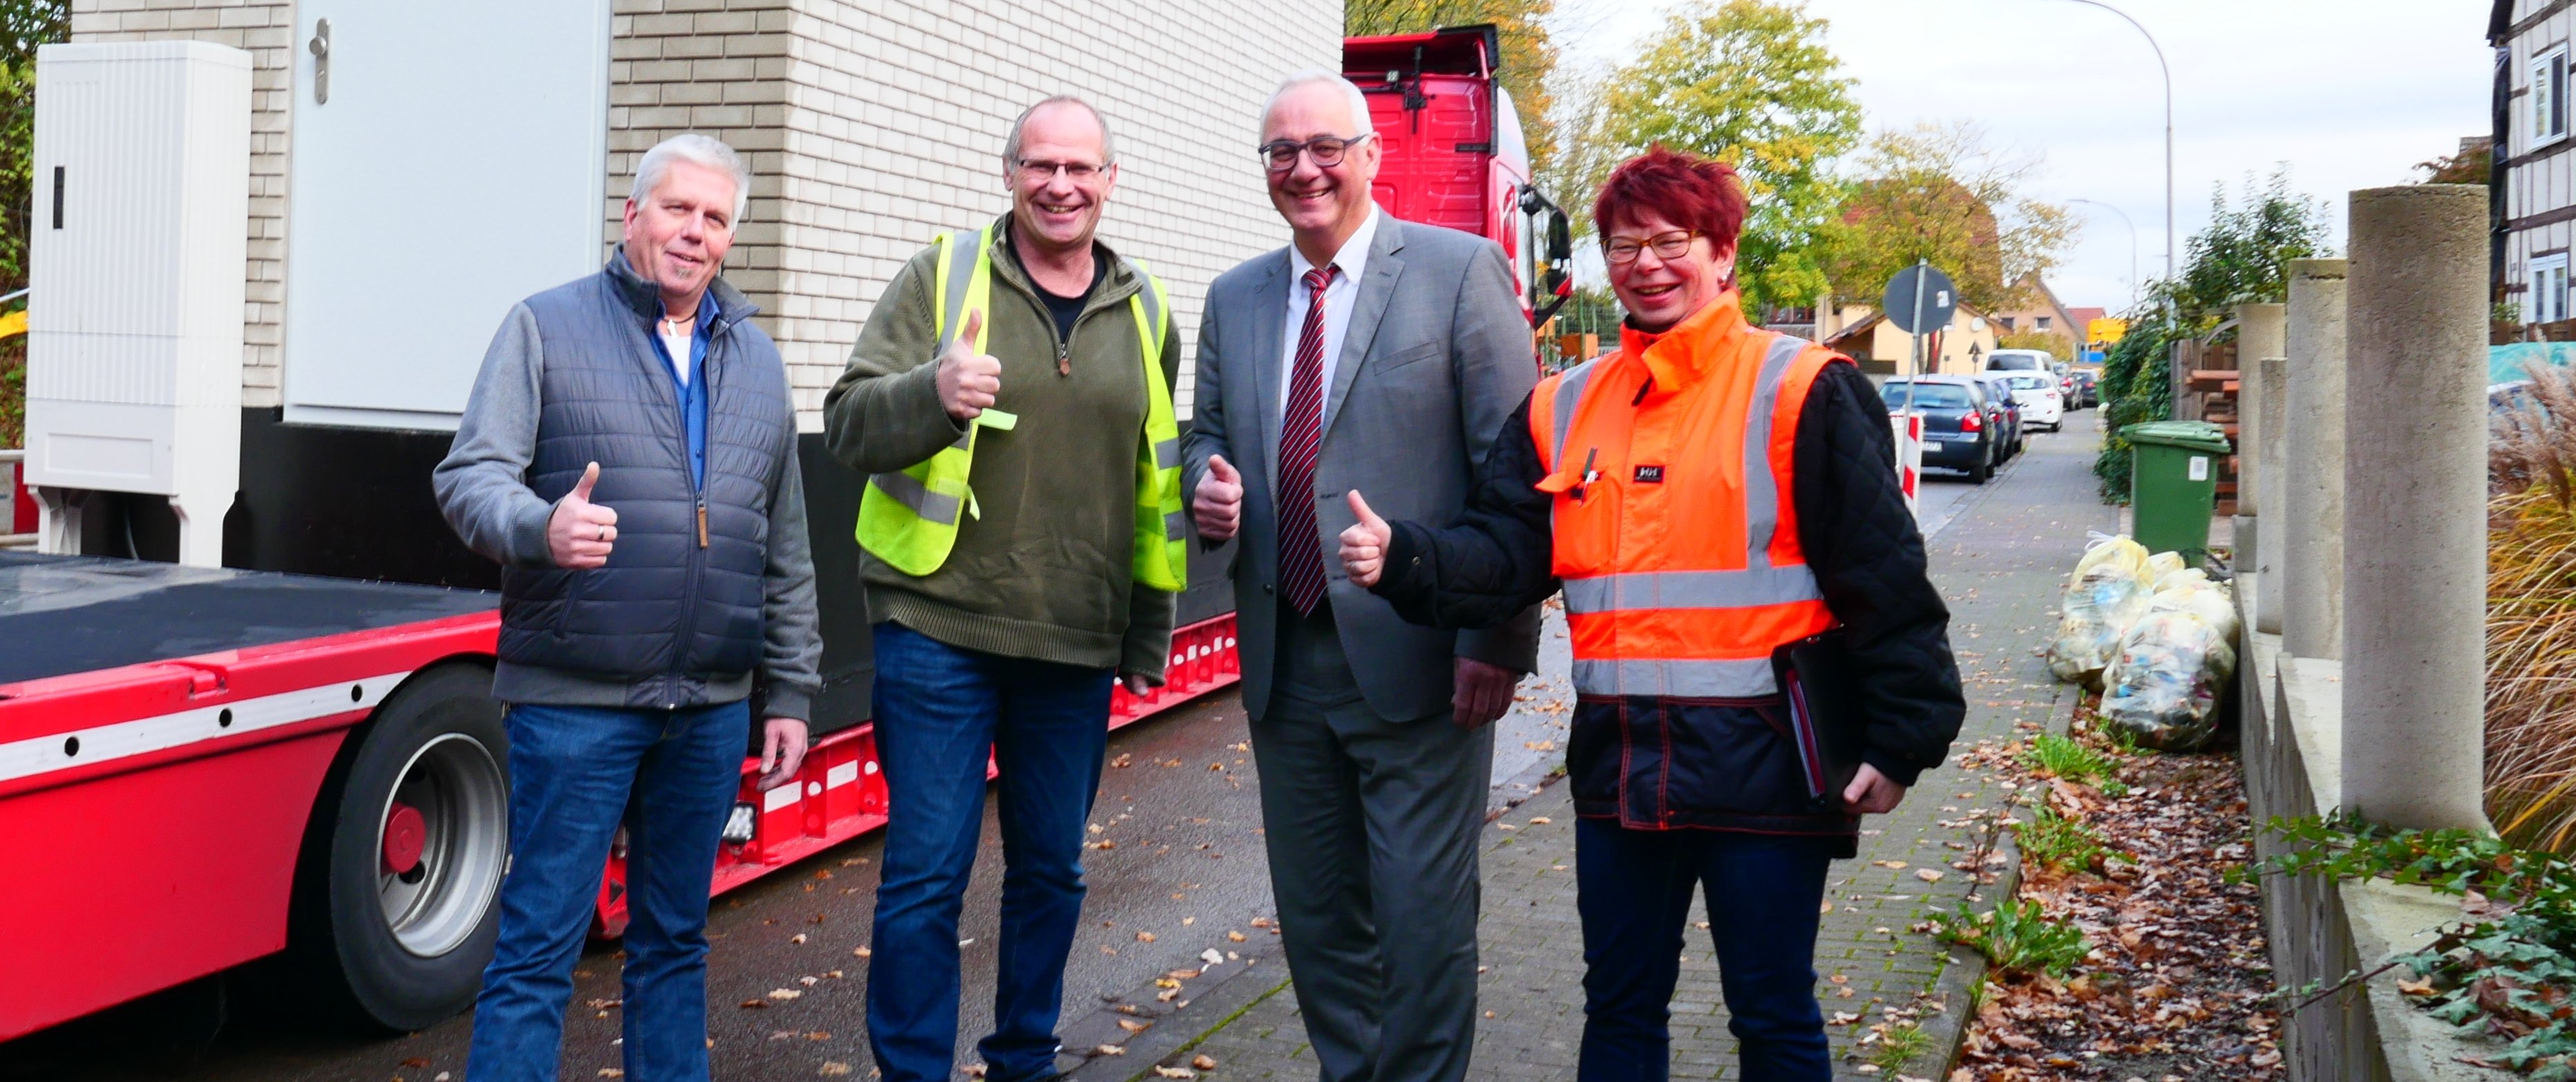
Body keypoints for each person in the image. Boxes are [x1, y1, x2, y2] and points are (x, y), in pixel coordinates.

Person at [1335, 147, 1963, 1082]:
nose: (1648, 264)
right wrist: (1407, 559)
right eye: (1625, 246)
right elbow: (1507, 556)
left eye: (1673, 241)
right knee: (1619, 1011)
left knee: (1773, 1011)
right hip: (1625, 771)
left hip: (1770, 771)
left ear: (1723, 255)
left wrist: (1903, 736)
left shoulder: (1804, 390)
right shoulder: (1564, 404)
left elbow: (1886, 580)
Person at [434, 134, 821, 1082]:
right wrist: (539, 527)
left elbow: (788, 542)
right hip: (576, 701)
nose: (695, 232)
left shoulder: (759, 361)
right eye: (678, 208)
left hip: (708, 704)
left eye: (716, 217)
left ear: (732, 237)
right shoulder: (545, 328)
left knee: (675, 943)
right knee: (537, 954)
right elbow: (467, 476)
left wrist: (793, 691)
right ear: (632, 215)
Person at [1181, 73, 1542, 1082]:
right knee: (1319, 923)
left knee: (1423, 927)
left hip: (1422, 660)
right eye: (1281, 152)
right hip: (1284, 659)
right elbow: (1207, 435)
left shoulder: (1460, 272)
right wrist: (1203, 481)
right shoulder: (1234, 295)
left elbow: (1513, 482)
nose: (1304, 168)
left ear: (1371, 154)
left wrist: (1495, 643)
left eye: (1325, 146)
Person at [824, 97, 1187, 1082]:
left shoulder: (1147, 308)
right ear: (1008, 172)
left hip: (1071, 643)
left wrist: (1145, 633)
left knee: (1053, 876)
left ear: (1111, 180)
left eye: (1081, 168)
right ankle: (913, 1071)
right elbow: (848, 422)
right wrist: (929, 395)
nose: (1060, 185)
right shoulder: (942, 277)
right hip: (936, 627)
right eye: (1040, 165)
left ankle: (1023, 1059)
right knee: (924, 879)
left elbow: (1150, 476)